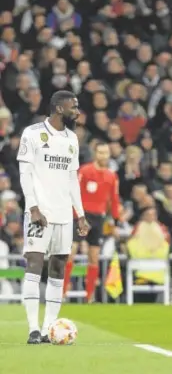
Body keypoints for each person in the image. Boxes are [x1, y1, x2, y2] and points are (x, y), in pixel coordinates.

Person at [17, 90, 90, 344]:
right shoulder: (33, 133)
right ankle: (33, 329)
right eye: (74, 107)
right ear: (59, 108)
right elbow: (25, 174)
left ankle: (49, 327)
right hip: (40, 213)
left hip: (63, 216)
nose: (77, 111)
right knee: (35, 264)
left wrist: (80, 214)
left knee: (58, 268)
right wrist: (33, 207)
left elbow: (72, 179)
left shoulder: (72, 139)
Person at [63, 142, 120, 302]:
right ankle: (63, 291)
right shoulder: (85, 171)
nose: (104, 156)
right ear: (95, 154)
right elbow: (74, 191)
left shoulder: (112, 176)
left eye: (106, 153)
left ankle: (90, 296)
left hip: (99, 217)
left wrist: (115, 222)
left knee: (94, 257)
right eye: (101, 152)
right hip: (82, 215)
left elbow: (114, 200)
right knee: (71, 252)